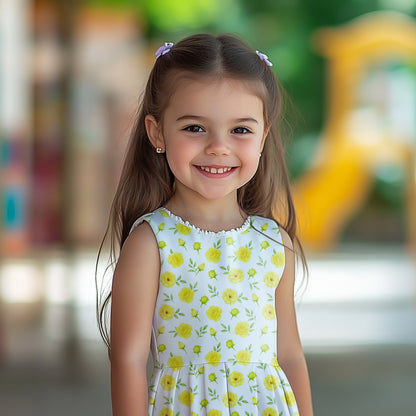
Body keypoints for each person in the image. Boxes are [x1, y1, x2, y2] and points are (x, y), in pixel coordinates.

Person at [97, 33, 314, 416]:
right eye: (195, 128)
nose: (218, 146)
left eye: (241, 130)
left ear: (263, 136)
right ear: (157, 132)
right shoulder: (152, 242)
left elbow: (290, 355)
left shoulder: (273, 242)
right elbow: (127, 361)